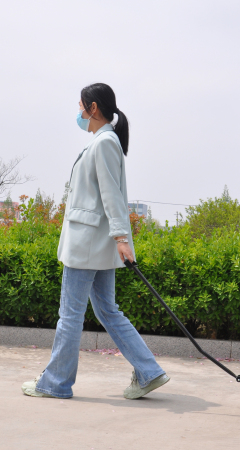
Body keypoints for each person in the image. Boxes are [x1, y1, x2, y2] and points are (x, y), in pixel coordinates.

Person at [22, 83, 169, 399]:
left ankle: (56, 383)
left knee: (70, 315)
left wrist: (122, 237)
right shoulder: (105, 141)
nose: (78, 112)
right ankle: (149, 371)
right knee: (107, 311)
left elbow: (111, 194)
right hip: (96, 244)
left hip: (87, 244)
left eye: (80, 106)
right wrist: (119, 238)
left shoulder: (103, 143)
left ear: (93, 108)